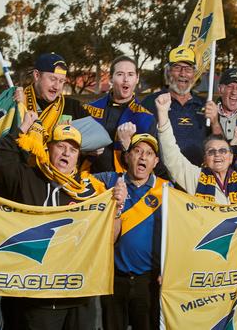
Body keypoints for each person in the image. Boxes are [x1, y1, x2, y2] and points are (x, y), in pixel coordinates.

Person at [0, 111, 127, 330]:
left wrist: (118, 208)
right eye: (61, 146)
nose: (66, 153)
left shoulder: (91, 190)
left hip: (80, 295)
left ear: (78, 156)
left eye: (73, 150)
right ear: (48, 148)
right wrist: (23, 128)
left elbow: (109, 239)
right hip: (38, 296)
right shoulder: (28, 178)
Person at [93, 133, 170, 330]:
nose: (143, 157)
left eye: (149, 153)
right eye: (137, 151)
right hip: (113, 277)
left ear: (156, 161)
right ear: (127, 157)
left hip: (149, 280)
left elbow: (177, 234)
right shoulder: (109, 181)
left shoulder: (167, 190)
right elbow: (75, 181)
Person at [156, 93, 237, 204]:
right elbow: (171, 157)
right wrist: (163, 113)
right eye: (211, 151)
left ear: (231, 158)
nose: (217, 154)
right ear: (205, 159)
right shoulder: (195, 178)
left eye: (223, 151)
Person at [82, 55, 156, 173]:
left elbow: (148, 165)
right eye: (120, 74)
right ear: (111, 79)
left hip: (126, 183)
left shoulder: (146, 118)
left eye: (130, 74)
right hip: (90, 180)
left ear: (137, 79)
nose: (126, 79)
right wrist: (84, 150)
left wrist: (127, 146)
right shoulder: (88, 110)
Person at [142, 45, 211, 166]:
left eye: (188, 69)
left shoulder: (205, 104)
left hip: (197, 177)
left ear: (194, 74)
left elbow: (218, 143)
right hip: (161, 179)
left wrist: (215, 121)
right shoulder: (151, 102)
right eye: (177, 67)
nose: (183, 73)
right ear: (168, 72)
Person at [15, 52, 90, 138]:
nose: (57, 87)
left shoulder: (74, 107)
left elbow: (97, 135)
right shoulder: (17, 102)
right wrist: (18, 107)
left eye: (61, 81)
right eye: (53, 79)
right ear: (36, 75)